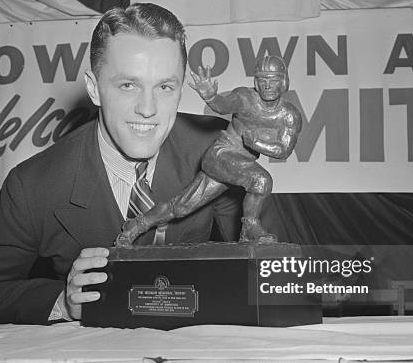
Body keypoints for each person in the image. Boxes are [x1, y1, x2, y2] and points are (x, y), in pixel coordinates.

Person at [0, 3, 242, 325]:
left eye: (165, 87)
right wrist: (62, 302)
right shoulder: (33, 183)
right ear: (94, 88)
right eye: (128, 85)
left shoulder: (217, 150)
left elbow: (267, 264)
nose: (148, 108)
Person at [117, 55, 302, 246]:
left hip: (240, 166)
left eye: (273, 80)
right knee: (261, 181)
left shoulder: (289, 115)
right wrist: (211, 96)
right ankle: (249, 228)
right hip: (222, 155)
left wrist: (257, 144)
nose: (268, 85)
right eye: (263, 80)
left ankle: (136, 225)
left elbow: (284, 150)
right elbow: (224, 105)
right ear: (256, 82)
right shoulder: (245, 98)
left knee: (180, 207)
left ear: (284, 82)